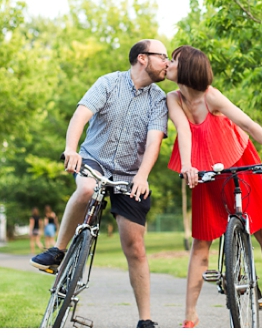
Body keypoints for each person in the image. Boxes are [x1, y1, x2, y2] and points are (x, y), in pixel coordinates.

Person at [30, 39, 169, 329]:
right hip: (94, 162)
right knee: (86, 189)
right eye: (163, 57)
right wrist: (71, 149)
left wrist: (142, 176)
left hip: (130, 176)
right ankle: (58, 251)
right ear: (143, 58)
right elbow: (81, 115)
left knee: (136, 246)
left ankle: (145, 319)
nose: (167, 63)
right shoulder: (109, 83)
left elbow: (155, 140)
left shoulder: (158, 99)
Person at [165, 45, 262, 329]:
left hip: (240, 161)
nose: (167, 63)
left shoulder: (211, 96)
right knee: (201, 242)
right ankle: (190, 316)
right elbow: (184, 131)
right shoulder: (173, 99)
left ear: (188, 68)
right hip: (205, 170)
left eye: (173, 61)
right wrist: (189, 165)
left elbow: (248, 124)